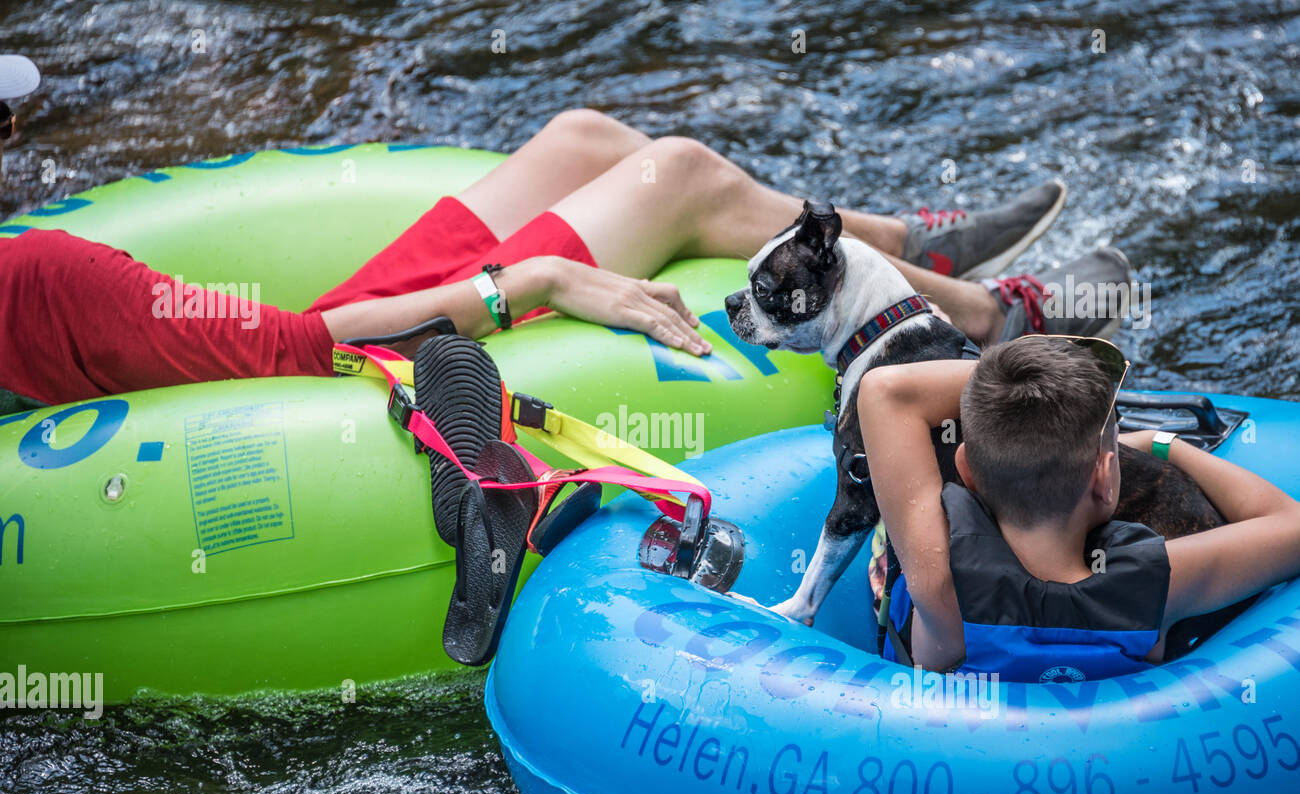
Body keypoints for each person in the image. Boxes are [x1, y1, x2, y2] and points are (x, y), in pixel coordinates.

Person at [0, 98, 1116, 409]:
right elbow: (290, 348)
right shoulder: (47, 274)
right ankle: (977, 314)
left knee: (583, 137)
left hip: (290, 338)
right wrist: (525, 280)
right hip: (358, 362)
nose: (18, 128)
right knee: (675, 168)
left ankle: (890, 241)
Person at [860, 336, 1300, 680]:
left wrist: (1010, 389)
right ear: (1106, 478)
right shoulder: (1159, 584)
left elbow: (883, 390)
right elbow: (1290, 525)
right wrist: (1166, 446)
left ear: (966, 472)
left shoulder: (941, 590)